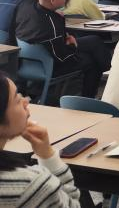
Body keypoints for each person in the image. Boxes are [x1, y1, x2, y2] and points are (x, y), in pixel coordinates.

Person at [11, 0, 110, 98]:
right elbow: (61, 56)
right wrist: (73, 46)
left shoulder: (26, 5)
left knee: (93, 41)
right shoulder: (51, 24)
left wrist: (64, 37)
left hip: (24, 62)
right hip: (48, 65)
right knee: (92, 60)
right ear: (53, 0)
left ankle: (109, 73)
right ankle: (88, 97)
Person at [0, 72, 82, 207]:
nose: (26, 101)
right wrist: (48, 156)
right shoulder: (30, 186)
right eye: (17, 99)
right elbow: (72, 204)